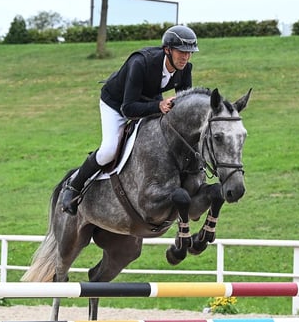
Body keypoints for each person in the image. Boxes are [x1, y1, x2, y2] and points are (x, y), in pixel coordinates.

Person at [59, 25, 199, 215]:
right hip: (117, 104)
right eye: (181, 52)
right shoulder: (140, 62)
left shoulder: (185, 69)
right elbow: (128, 108)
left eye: (189, 52)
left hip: (149, 99)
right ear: (167, 49)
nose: (186, 57)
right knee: (109, 149)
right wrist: (158, 107)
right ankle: (73, 187)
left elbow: (182, 109)